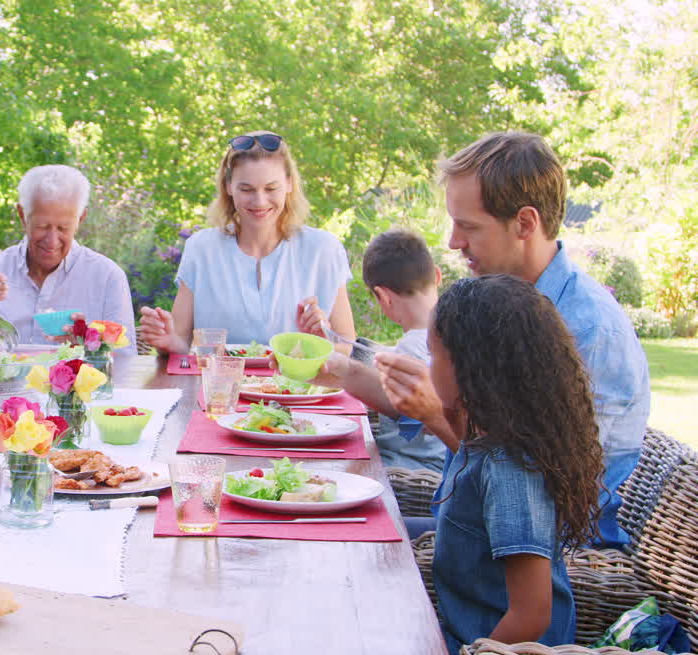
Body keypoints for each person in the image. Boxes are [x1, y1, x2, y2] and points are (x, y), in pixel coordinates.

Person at [378, 132, 650, 548]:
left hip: (544, 556)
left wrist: (437, 414)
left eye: (468, 226)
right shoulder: (501, 301)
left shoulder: (586, 329)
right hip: (471, 522)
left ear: (524, 223)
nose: (453, 242)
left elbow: (542, 498)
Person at [424, 274, 602, 655]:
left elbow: (532, 616)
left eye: (434, 355)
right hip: (459, 634)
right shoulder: (485, 443)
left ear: (472, 368)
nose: (428, 367)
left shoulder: (510, 471)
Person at [139, 132, 355, 353]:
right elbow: (181, 343)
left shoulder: (323, 249)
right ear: (229, 187)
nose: (260, 201)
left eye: (271, 188)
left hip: (295, 387)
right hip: (219, 386)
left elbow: (346, 347)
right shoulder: (201, 248)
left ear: (289, 184)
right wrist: (165, 340)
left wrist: (321, 342)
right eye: (246, 189)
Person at [0, 164, 136, 361]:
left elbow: (125, 364)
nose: (52, 241)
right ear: (22, 215)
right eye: (42, 226)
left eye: (63, 228)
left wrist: (90, 348)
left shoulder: (107, 277)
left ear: (80, 219)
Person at [310, 230, 446, 471]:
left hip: (408, 466)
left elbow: (409, 422)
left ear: (383, 297)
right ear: (437, 276)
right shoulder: (451, 336)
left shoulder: (408, 351)